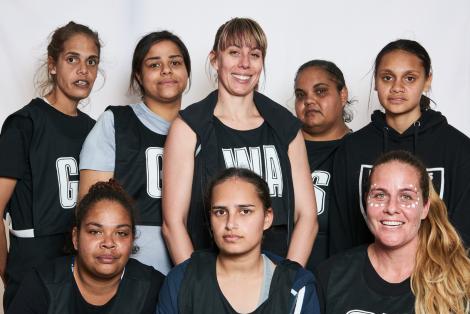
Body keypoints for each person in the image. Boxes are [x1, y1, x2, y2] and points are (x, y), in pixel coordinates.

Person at [162, 17, 317, 267]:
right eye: (234, 52)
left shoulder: (285, 126)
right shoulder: (189, 127)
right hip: (211, 277)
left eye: (254, 55)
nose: (244, 64)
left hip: (274, 273)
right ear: (215, 59)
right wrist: (196, 286)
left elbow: (307, 217)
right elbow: (173, 224)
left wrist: (288, 280)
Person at [329, 39, 470, 254]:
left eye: (410, 78)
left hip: (435, 280)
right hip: (364, 281)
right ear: (375, 81)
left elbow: (463, 233)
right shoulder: (352, 147)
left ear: (427, 81)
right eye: (387, 77)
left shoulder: (458, 148)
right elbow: (341, 231)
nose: (397, 87)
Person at [0, 21, 100, 309]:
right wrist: (10, 273)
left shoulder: (97, 129)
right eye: (72, 59)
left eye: (91, 61)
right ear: (53, 65)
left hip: (82, 264)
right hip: (34, 261)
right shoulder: (25, 124)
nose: (83, 70)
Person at [78, 31, 191, 274]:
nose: (166, 70)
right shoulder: (115, 123)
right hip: (129, 274)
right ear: (138, 75)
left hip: (192, 268)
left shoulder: (202, 128)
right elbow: (89, 211)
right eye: (154, 64)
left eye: (175, 62)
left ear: (187, 72)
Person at [316, 150, 470, 314]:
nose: (391, 208)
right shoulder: (330, 275)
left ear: (425, 208)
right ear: (366, 201)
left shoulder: (458, 280)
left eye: (406, 197)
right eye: (380, 195)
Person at [158, 168, 320, 314]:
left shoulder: (295, 284)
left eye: (245, 211)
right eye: (220, 212)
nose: (230, 224)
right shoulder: (182, 278)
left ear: (267, 218)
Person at [8, 180, 165, 313]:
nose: (108, 243)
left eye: (121, 233)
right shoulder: (41, 285)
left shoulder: (153, 288)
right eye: (95, 232)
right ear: (76, 237)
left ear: (132, 240)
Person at [293, 60, 352, 269]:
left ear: (343, 95)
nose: (309, 100)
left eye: (320, 91)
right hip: (286, 274)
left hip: (343, 278)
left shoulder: (362, 149)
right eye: (301, 95)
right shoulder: (282, 149)